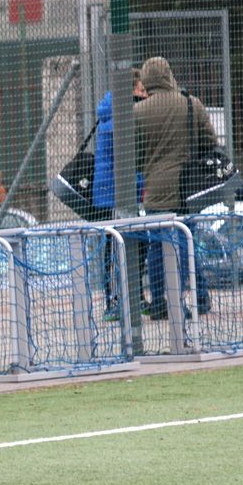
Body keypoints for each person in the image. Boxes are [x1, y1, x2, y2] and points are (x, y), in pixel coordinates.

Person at [133, 57, 213, 320]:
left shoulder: (138, 112)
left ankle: (162, 302)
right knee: (188, 241)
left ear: (145, 79)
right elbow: (210, 142)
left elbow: (131, 156)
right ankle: (200, 297)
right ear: (169, 74)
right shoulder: (191, 103)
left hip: (155, 189)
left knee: (159, 247)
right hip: (187, 188)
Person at [90, 70, 146, 322]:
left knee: (130, 242)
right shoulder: (117, 117)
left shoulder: (114, 112)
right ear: (131, 89)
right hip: (114, 193)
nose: (145, 94)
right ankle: (114, 300)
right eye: (141, 90)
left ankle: (130, 295)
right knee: (115, 245)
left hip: (119, 190)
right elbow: (125, 160)